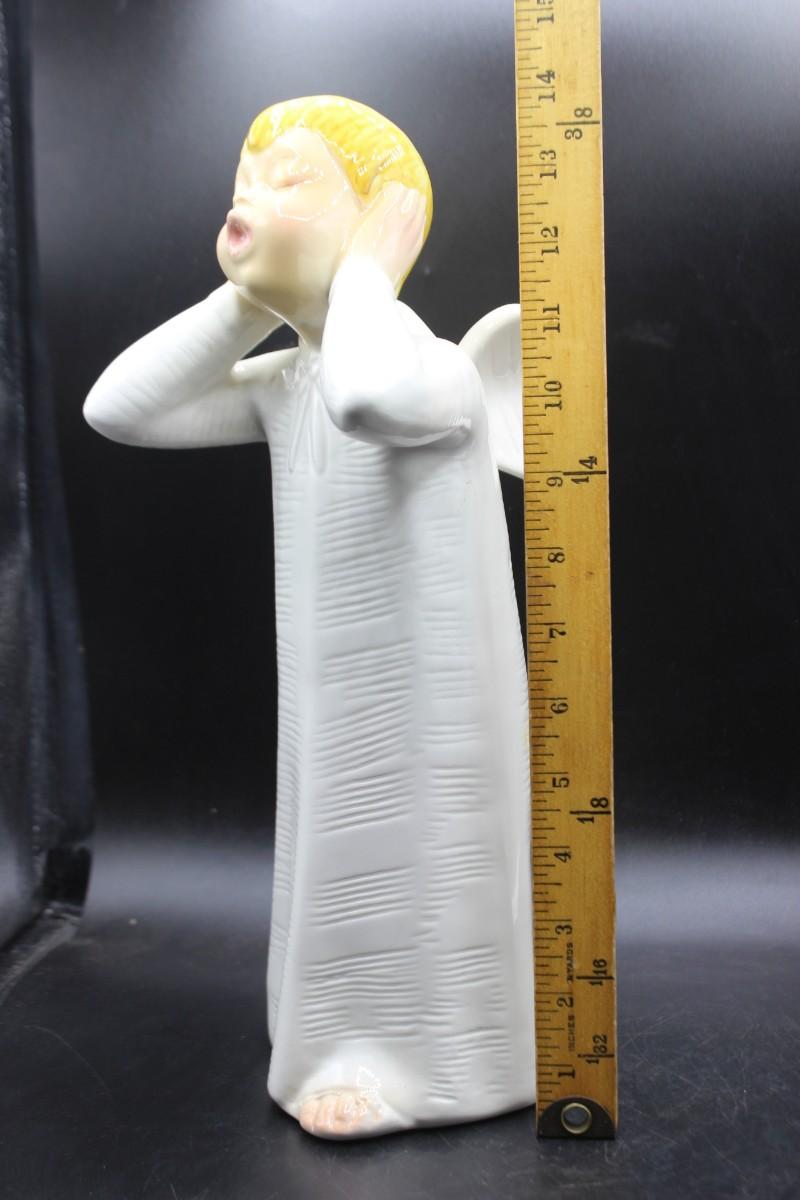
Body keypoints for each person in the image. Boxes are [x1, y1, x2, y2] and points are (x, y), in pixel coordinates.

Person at [84, 94, 535, 1139]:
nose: (247, 200)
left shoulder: (431, 371)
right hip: (332, 699)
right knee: (334, 845)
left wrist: (368, 273)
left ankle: (440, 1062)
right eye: (243, 183)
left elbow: (365, 399)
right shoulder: (288, 380)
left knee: (413, 853)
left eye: (288, 181)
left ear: (382, 220)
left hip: (426, 713)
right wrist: (248, 299)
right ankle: (333, 1036)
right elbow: (119, 409)